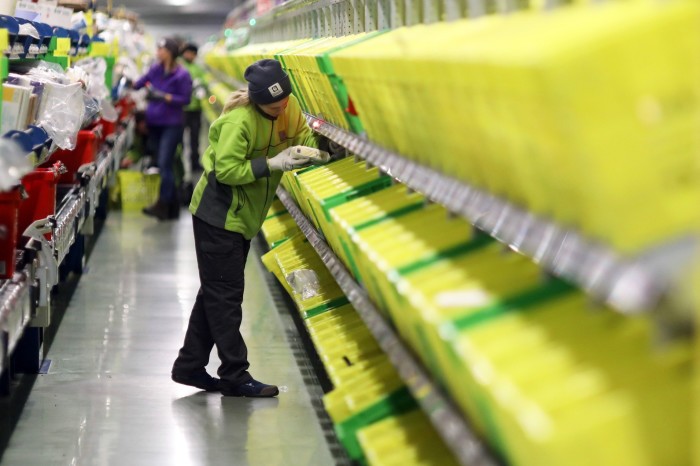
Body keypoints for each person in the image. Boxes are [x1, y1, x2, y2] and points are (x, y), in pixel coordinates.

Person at [171, 59, 326, 397]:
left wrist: (313, 151)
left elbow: (300, 132)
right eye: (273, 105)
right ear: (256, 101)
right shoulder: (239, 121)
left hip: (244, 218)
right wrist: (270, 163)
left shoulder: (288, 106)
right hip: (219, 216)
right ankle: (234, 375)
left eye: (284, 101)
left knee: (215, 291)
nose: (281, 108)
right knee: (226, 297)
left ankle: (189, 365)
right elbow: (225, 170)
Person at [133, 37, 193, 220]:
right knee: (161, 163)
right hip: (155, 123)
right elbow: (138, 84)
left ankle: (165, 203)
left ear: (170, 52)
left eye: (161, 49)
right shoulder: (156, 69)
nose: (158, 52)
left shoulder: (182, 75)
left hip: (172, 124)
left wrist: (165, 97)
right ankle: (169, 205)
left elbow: (186, 100)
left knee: (165, 163)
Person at [180, 42, 206, 173]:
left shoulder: (198, 68)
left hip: (196, 108)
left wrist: (201, 86)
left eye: (192, 54)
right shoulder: (180, 66)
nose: (190, 55)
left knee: (195, 138)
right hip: (182, 109)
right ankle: (180, 164)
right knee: (179, 138)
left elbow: (204, 81)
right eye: (188, 53)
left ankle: (195, 163)